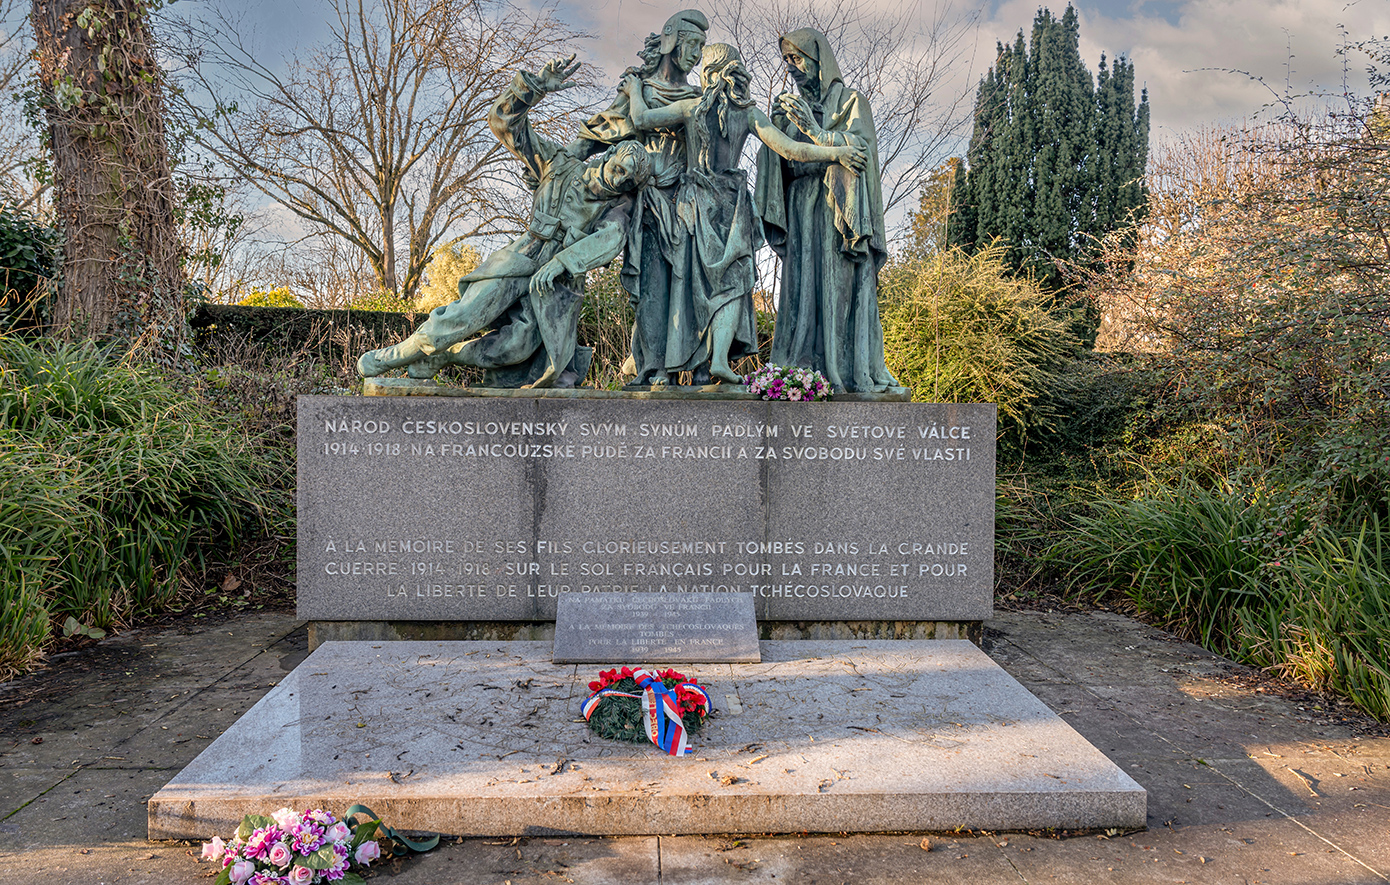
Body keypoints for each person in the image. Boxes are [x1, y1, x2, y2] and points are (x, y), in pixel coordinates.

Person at [356, 55, 652, 387]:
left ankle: (447, 355)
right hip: (523, 256)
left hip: (556, 284)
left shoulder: (617, 205)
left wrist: (563, 263)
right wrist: (532, 89)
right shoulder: (559, 163)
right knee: (464, 316)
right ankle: (394, 356)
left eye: (627, 179)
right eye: (620, 167)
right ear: (609, 155)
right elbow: (505, 125)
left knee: (516, 348)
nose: (620, 178)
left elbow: (611, 238)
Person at [621, 43, 865, 383]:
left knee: (692, 283)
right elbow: (791, 149)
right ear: (736, 72)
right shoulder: (749, 113)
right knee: (733, 281)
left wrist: (634, 89)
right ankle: (717, 359)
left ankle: (693, 362)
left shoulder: (691, 108)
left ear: (708, 74)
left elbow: (641, 119)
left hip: (694, 203)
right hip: (730, 203)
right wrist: (836, 152)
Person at [753, 28, 899, 393]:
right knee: (801, 291)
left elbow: (860, 151)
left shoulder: (850, 102)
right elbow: (779, 163)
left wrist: (814, 130)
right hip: (802, 206)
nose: (792, 67)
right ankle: (798, 372)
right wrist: (775, 135)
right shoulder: (790, 107)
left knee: (838, 290)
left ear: (820, 60)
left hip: (839, 213)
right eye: (787, 60)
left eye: (797, 58)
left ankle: (842, 370)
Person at [571, 10, 708, 388]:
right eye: (691, 44)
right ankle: (652, 368)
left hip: (687, 204)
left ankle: (696, 365)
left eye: (701, 47)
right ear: (671, 41)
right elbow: (600, 132)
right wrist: (564, 162)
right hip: (647, 204)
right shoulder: (639, 91)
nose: (696, 54)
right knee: (651, 288)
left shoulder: (696, 98)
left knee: (689, 285)